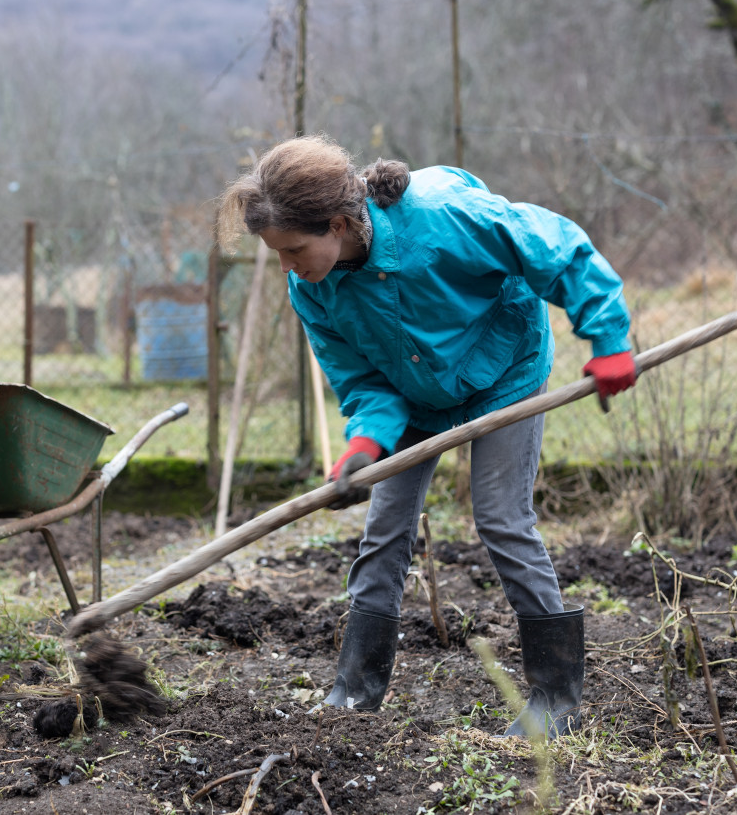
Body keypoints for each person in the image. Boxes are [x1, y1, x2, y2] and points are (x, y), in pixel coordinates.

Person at [215, 136, 636, 738]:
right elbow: (361, 380)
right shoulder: (312, 287)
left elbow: (557, 249)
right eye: (276, 253)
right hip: (408, 392)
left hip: (503, 371)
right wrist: (366, 442)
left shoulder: (443, 217)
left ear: (337, 224)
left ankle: (555, 698)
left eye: (293, 249)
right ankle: (356, 690)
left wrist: (609, 338)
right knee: (385, 530)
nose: (286, 265)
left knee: (501, 518)